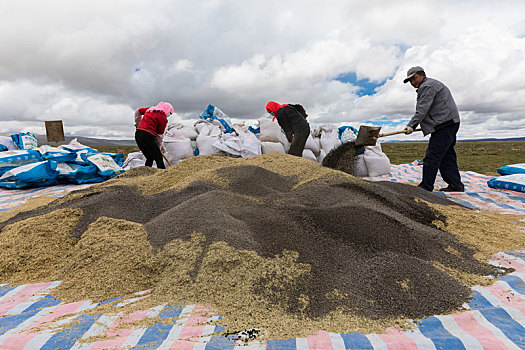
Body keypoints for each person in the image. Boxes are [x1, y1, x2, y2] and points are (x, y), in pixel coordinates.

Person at [403, 66, 465, 192]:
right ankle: (456, 185)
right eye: (410, 81)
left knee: (432, 157)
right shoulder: (431, 84)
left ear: (423, 75)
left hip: (444, 124)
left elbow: (422, 109)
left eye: (414, 78)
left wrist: (411, 125)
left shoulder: (427, 86)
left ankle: (425, 187)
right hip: (449, 123)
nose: (412, 82)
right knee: (447, 156)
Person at [134, 101, 174, 169]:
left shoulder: (149, 109)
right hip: (148, 135)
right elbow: (159, 135)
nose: (169, 115)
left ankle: (145, 172)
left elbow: (138, 111)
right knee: (158, 158)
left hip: (138, 134)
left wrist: (138, 122)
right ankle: (163, 174)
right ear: (167, 110)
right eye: (170, 113)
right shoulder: (163, 118)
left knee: (149, 157)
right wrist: (158, 147)